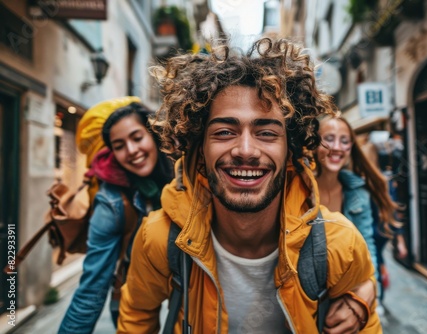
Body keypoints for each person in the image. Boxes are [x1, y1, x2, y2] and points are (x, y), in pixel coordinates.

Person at [118, 38, 381, 333]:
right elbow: (136, 320)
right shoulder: (158, 238)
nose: (245, 150)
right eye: (225, 131)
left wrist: (361, 299)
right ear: (200, 149)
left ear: (289, 150)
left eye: (266, 133)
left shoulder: (339, 244)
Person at [58, 101, 175, 333]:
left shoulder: (186, 173)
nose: (131, 151)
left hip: (188, 290)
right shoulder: (110, 202)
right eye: (119, 146)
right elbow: (92, 289)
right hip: (129, 295)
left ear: (153, 134)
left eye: (137, 137)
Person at [313, 113, 404, 308]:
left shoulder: (358, 193)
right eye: (329, 138)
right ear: (314, 142)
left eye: (344, 141)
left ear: (351, 147)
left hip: (345, 296)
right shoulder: (297, 187)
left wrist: (372, 298)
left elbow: (366, 249)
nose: (337, 147)